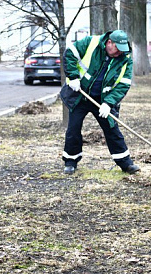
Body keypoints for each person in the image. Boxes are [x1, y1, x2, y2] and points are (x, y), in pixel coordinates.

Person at [60, 30, 140, 175]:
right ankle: (70, 161)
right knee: (73, 128)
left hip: (103, 100)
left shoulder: (125, 58)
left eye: (122, 50)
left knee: (112, 129)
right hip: (80, 95)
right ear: (110, 42)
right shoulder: (91, 43)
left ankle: (126, 163)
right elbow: (70, 54)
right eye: (117, 49)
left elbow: (123, 84)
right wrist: (73, 77)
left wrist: (108, 103)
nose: (119, 53)